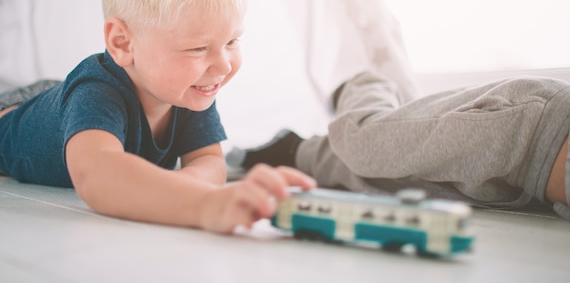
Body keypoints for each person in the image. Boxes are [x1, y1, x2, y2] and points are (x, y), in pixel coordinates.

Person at [0, 0, 315, 234]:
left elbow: (210, 161)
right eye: (197, 48)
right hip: (0, 125)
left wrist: (185, 187)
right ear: (123, 43)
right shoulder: (98, 91)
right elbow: (98, 176)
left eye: (232, 41)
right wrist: (201, 205)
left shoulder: (190, 88)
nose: (222, 65)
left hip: (58, 102)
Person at [227, 70, 570, 220]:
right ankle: (366, 83)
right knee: (365, 142)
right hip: (534, 127)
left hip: (536, 176)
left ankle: (299, 151)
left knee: (403, 181)